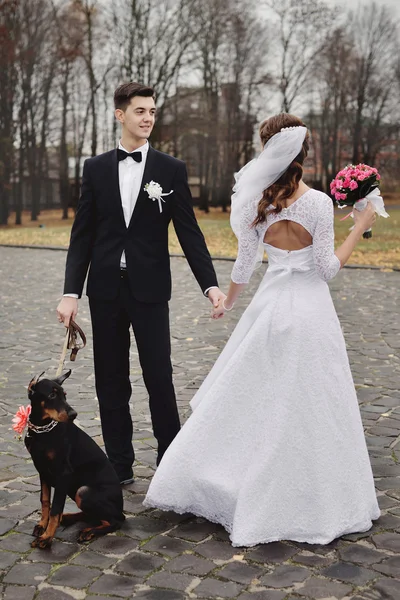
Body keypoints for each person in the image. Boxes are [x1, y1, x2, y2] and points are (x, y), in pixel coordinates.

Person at [144, 113, 380, 546]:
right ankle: (308, 490)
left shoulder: (258, 203)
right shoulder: (319, 203)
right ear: (302, 154)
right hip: (309, 312)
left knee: (255, 394)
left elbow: (246, 265)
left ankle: (226, 474)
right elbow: (326, 269)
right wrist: (361, 228)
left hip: (269, 310)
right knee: (310, 399)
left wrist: (228, 302)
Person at [56, 82, 225, 485]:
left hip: (150, 290)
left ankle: (171, 465)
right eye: (139, 111)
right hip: (105, 291)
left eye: (151, 111)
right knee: (110, 380)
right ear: (120, 115)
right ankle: (119, 466)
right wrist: (70, 292)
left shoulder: (171, 169)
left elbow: (190, 233)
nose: (148, 117)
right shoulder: (95, 168)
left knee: (159, 378)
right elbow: (82, 235)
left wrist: (210, 285)